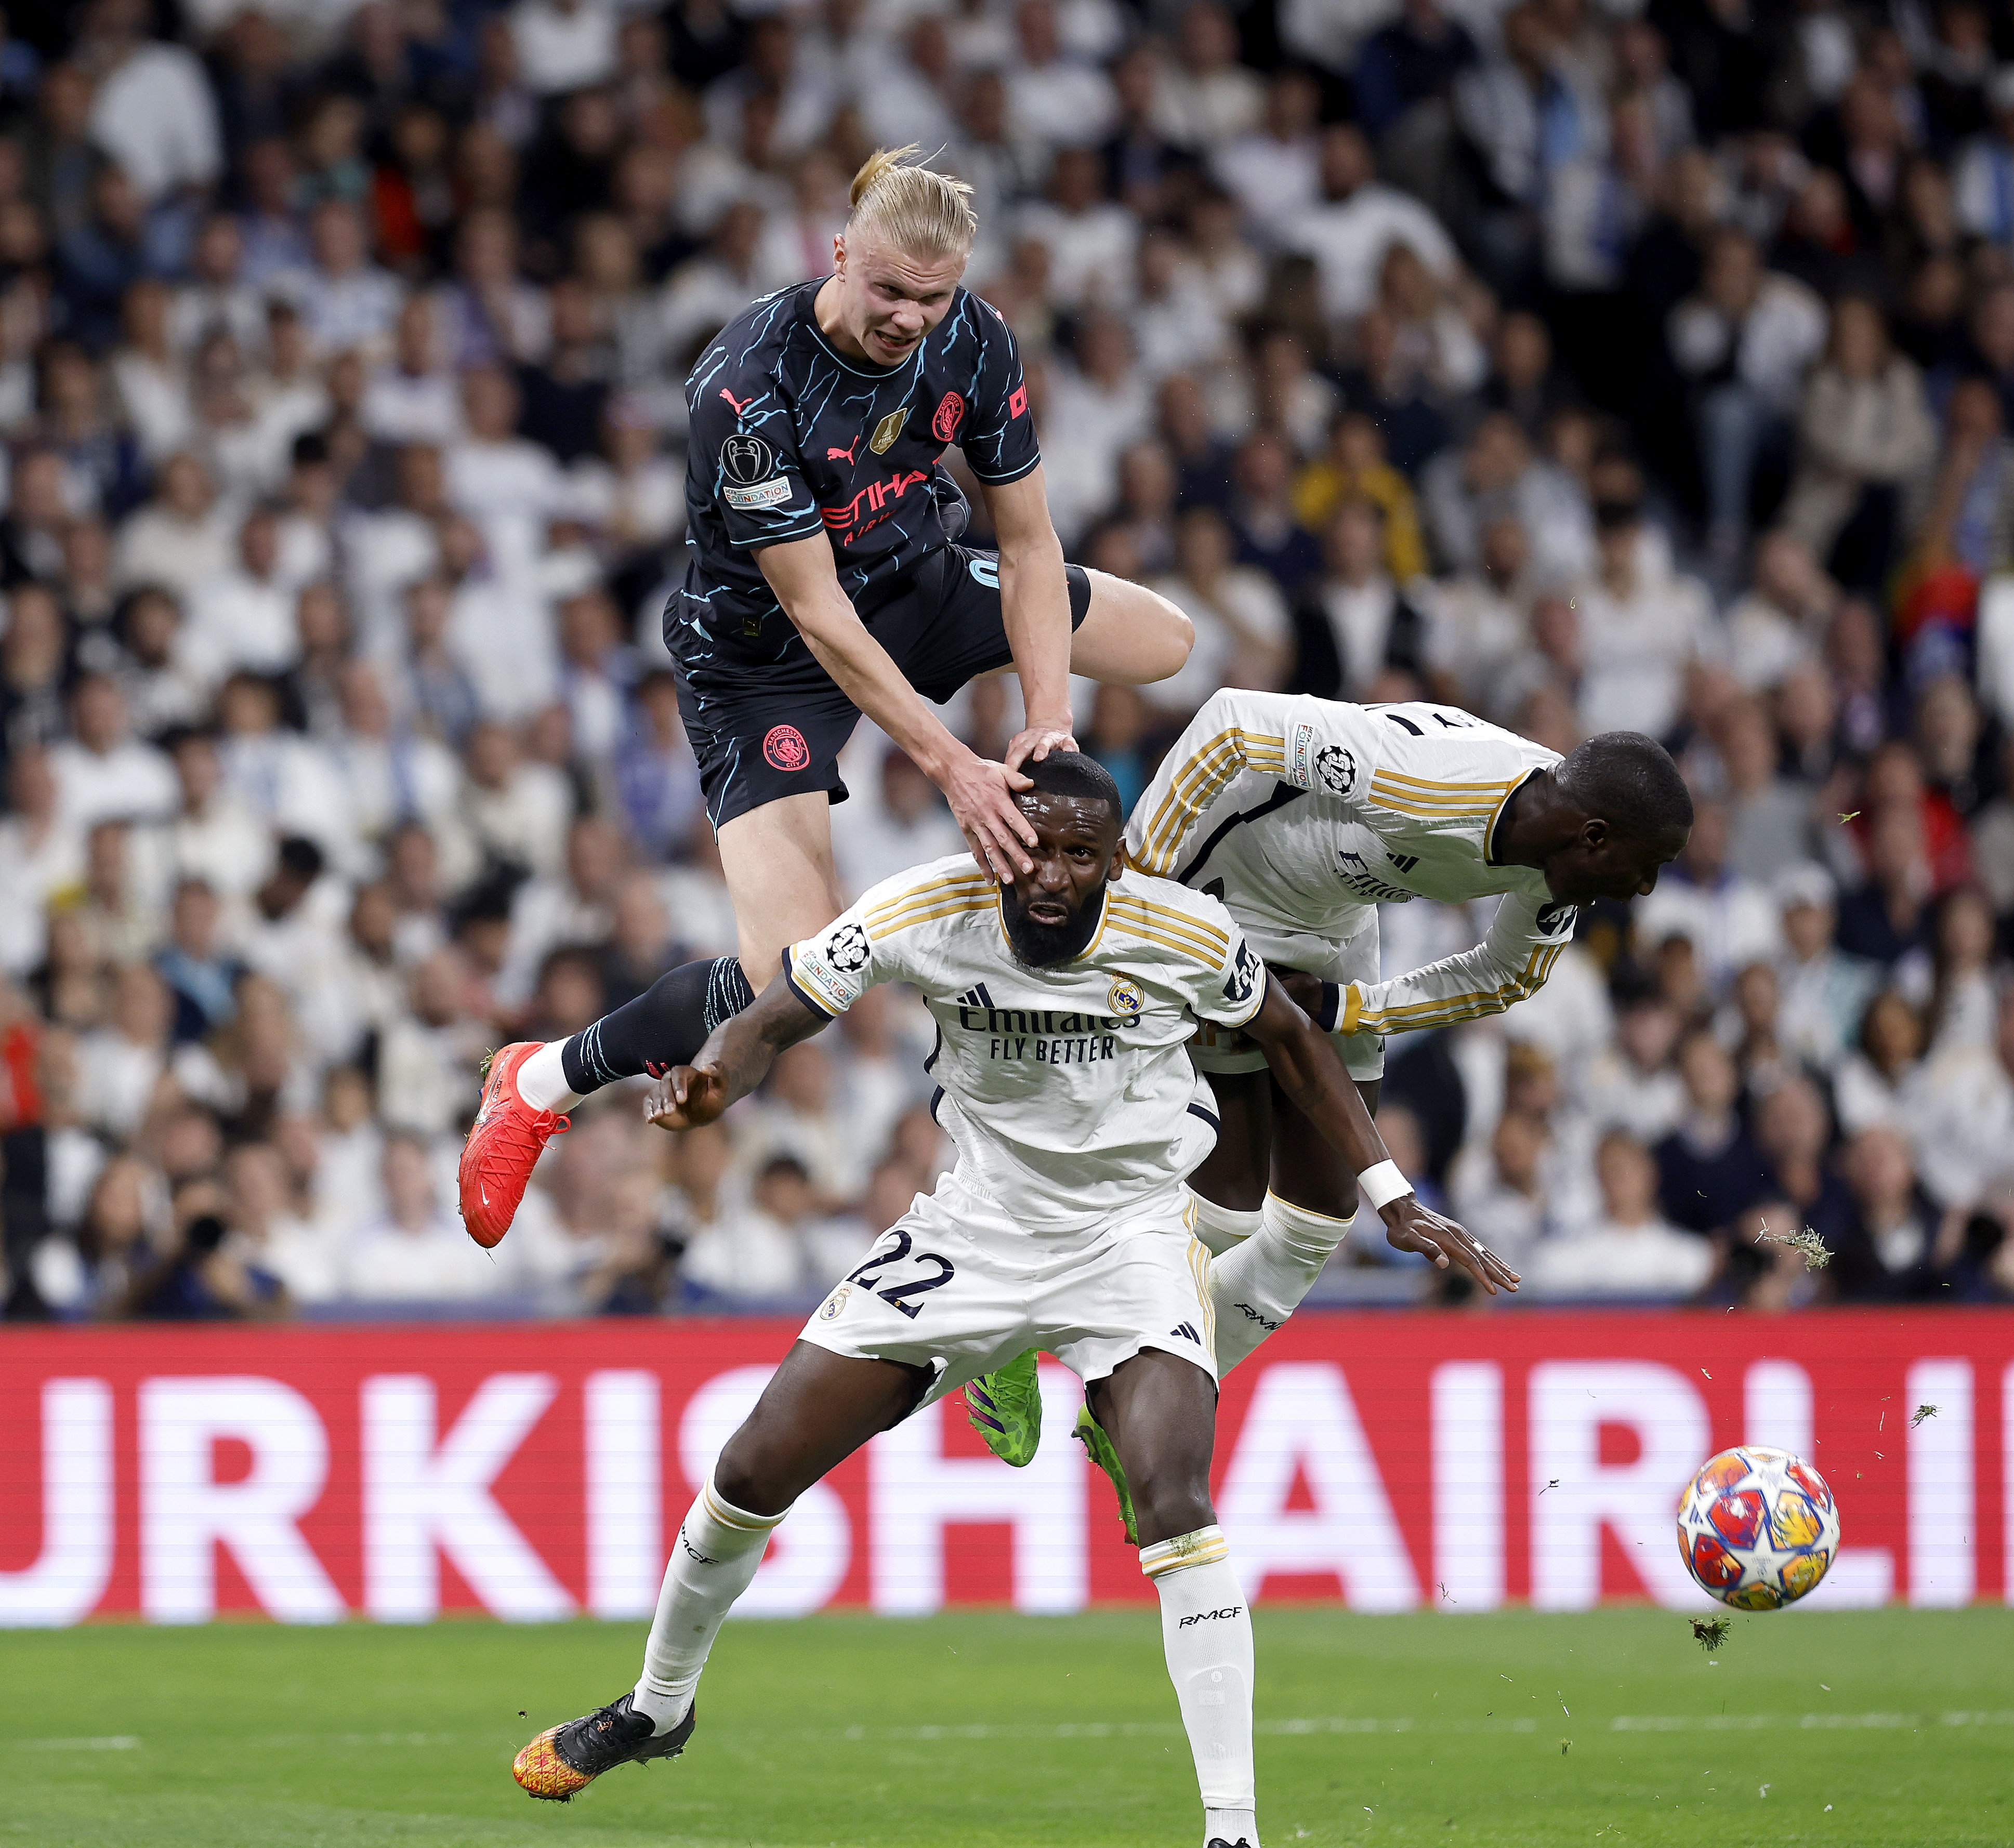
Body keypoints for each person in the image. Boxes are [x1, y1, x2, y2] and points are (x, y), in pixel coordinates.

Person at [508, 754, 1510, 1847]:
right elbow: (777, 1013)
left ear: (1114, 859)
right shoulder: (926, 907)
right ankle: (660, 1703)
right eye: (1034, 846)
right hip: (973, 1231)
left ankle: (1233, 1830)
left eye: (1083, 852)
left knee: (1174, 1493)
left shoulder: (1180, 933)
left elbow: (1291, 1041)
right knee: (751, 1468)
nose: (1053, 873)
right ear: (998, 842)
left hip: (1128, 1234)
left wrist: (1391, 1195)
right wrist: (711, 1074)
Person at [459, 148, 1192, 1246]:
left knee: (1168, 641)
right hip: (764, 660)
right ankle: (540, 1081)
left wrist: (1049, 718)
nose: (907, 318)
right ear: (840, 253)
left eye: (930, 298)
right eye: (888, 289)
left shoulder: (977, 339)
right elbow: (817, 616)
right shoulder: (744, 387)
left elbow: (1031, 539)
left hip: (919, 583)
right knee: (791, 985)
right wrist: (952, 763)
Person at [966, 692, 1689, 1483]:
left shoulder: (1555, 874)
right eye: (1646, 866)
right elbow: (1233, 726)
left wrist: (1347, 1006)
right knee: (1229, 1208)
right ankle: (1007, 1327)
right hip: (1226, 884)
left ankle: (1120, 1410)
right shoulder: (1430, 780)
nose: (1645, 890)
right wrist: (1142, 904)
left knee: (1319, 1217)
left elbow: (1505, 976)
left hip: (1336, 926)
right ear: (1595, 837)